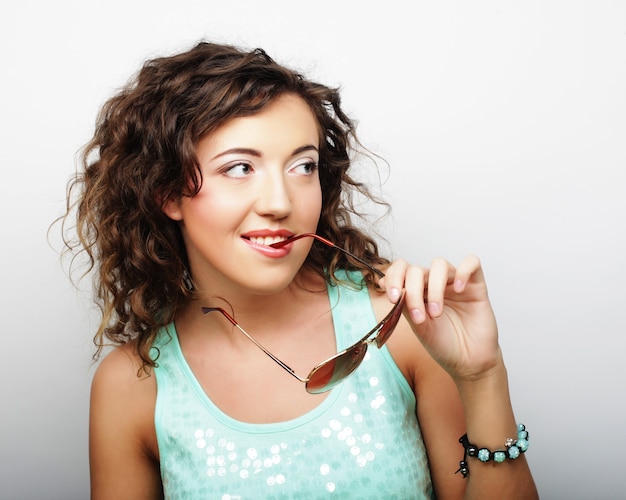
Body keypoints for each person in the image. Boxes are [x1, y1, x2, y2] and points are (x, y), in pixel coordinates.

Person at [62, 41, 538, 499]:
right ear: (167, 193)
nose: (280, 203)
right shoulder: (132, 386)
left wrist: (482, 377)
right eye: (240, 168)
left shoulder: (401, 327)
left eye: (303, 166)